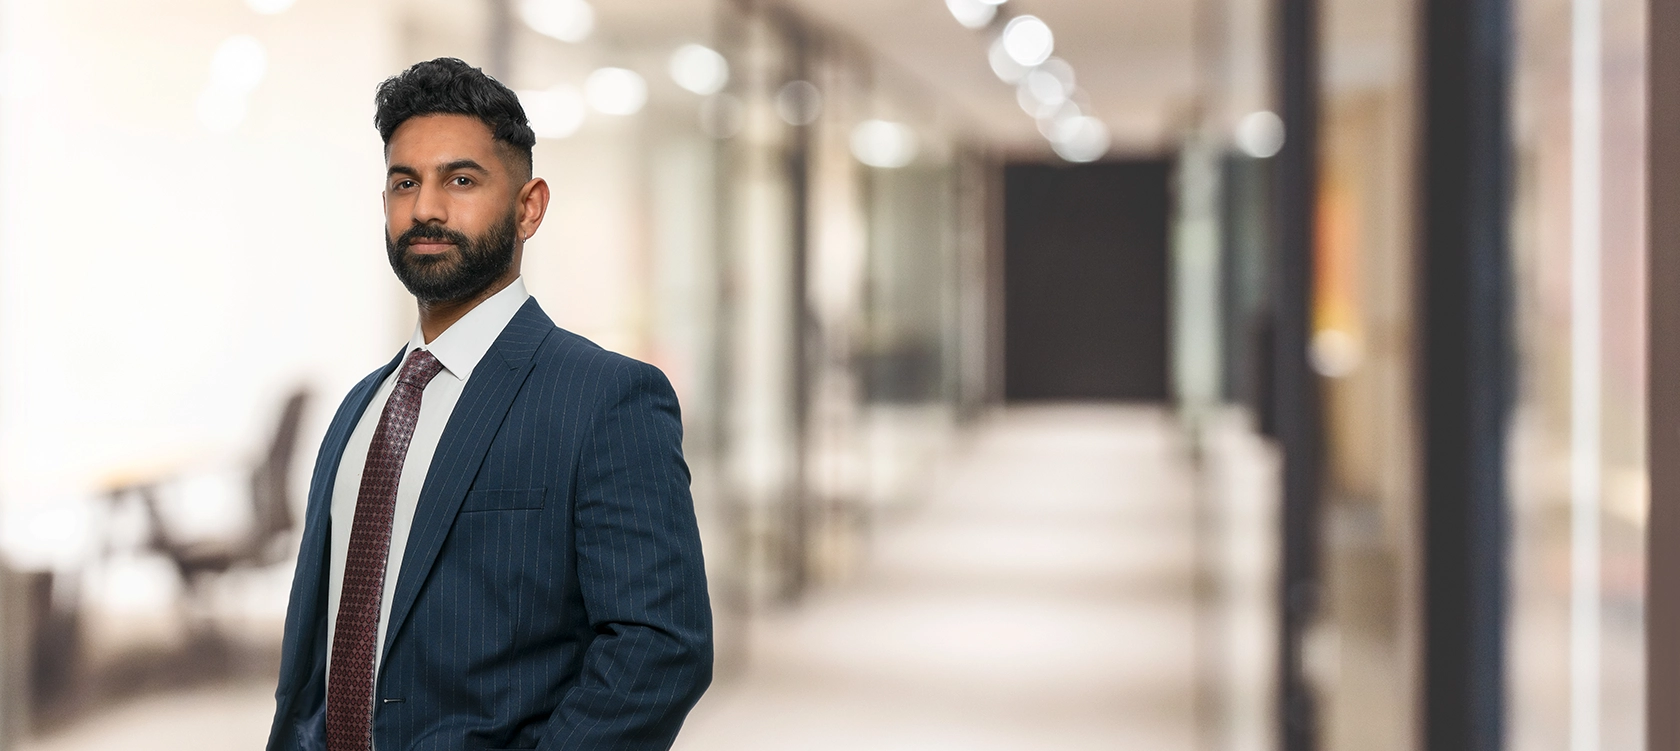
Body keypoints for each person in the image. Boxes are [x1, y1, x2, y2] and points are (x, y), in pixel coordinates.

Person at [266, 57, 713, 751]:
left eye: (462, 180)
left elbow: (660, 649)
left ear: (528, 206)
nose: (427, 208)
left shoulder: (605, 399)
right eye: (404, 182)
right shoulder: (363, 408)